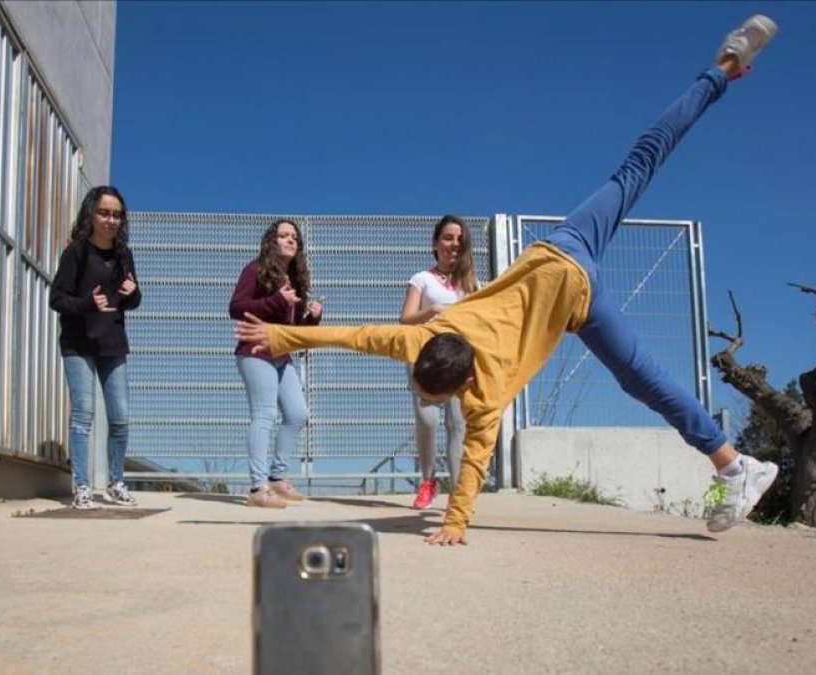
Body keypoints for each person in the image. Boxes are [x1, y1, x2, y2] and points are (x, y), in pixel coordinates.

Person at [236, 15, 781, 543]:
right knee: (639, 165)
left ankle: (734, 468)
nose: (424, 394)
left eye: (428, 392)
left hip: (577, 294)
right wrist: (281, 336)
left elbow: (472, 458)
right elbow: (355, 337)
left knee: (643, 378)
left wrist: (455, 523)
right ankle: (722, 70)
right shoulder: (426, 337)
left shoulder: (484, 394)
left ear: (465, 385)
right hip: (564, 249)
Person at [50, 186, 142, 510]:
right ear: (91, 214)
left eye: (117, 214)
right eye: (105, 212)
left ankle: (116, 482)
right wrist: (88, 303)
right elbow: (57, 299)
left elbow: (133, 300)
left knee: (121, 418)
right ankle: (82, 487)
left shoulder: (123, 255)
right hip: (78, 343)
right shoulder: (76, 252)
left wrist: (132, 293)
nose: (111, 220)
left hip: (113, 343)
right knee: (83, 415)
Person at [229, 220, 324, 508]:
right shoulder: (255, 269)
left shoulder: (294, 280)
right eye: (284, 236)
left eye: (294, 237)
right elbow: (235, 307)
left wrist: (312, 318)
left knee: (297, 414)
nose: (290, 240)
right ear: (272, 241)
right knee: (264, 414)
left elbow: (294, 331)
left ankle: (277, 477)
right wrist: (275, 301)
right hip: (255, 352)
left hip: (283, 356)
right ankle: (258, 488)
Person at [400, 215, 480, 509]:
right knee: (427, 420)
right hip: (424, 357)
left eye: (459, 239)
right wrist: (432, 309)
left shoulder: (472, 284)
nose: (454, 244)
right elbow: (405, 320)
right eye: (448, 238)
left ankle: (458, 494)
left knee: (457, 423)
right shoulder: (421, 279)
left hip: (459, 359)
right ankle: (427, 481)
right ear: (436, 243)